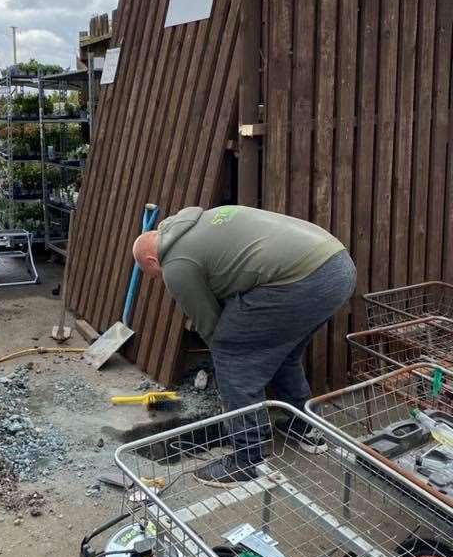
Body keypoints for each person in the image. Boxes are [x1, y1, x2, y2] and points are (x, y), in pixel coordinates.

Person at [132, 205, 356, 486]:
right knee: (284, 354)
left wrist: (231, 365)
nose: (157, 278)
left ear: (152, 260)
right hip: (338, 266)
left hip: (300, 280)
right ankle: (304, 428)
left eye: (152, 274)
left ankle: (246, 460)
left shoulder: (175, 266)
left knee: (230, 355)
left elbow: (210, 324)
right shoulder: (204, 219)